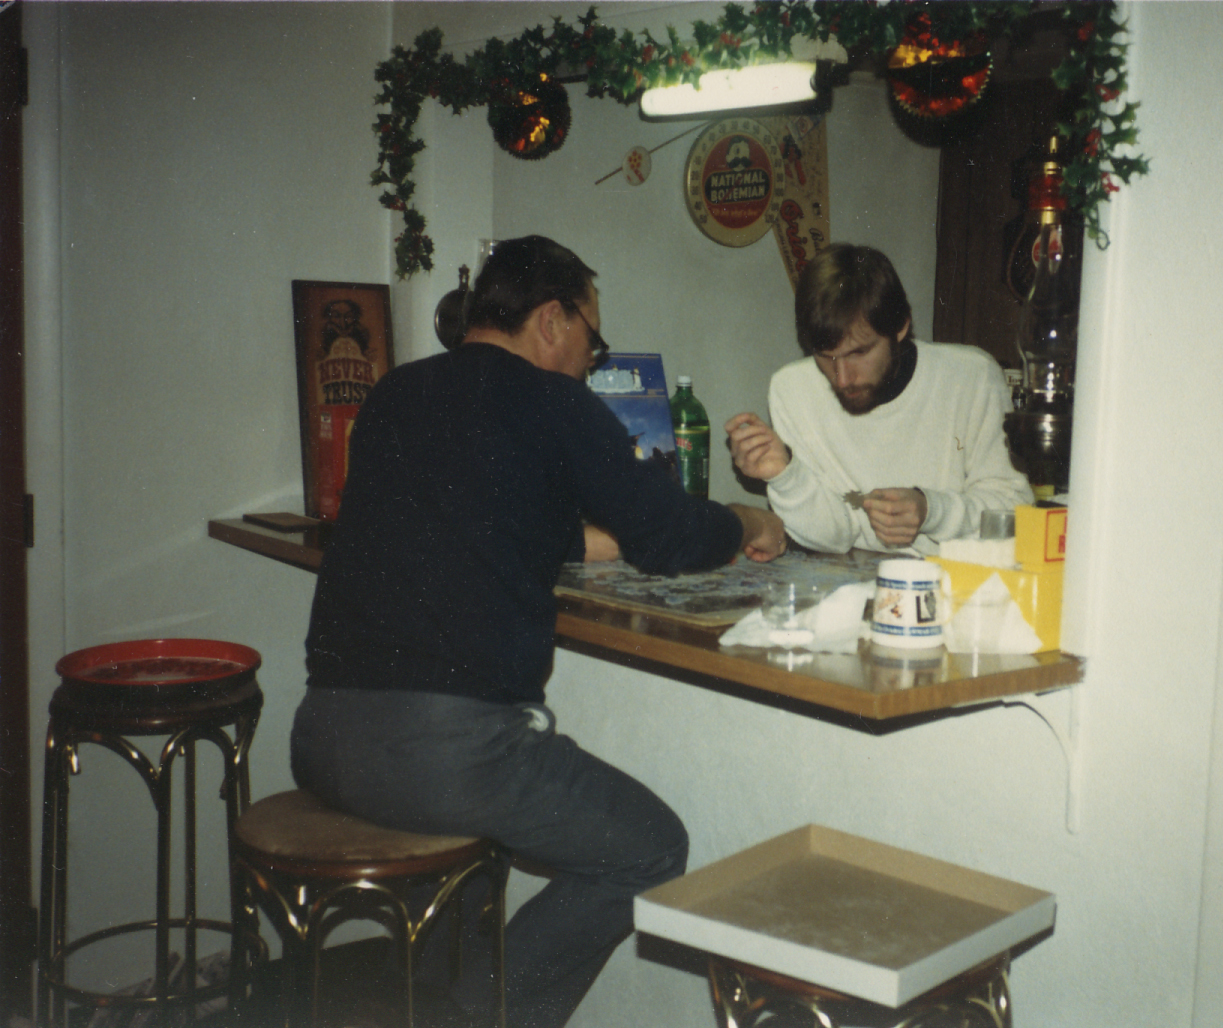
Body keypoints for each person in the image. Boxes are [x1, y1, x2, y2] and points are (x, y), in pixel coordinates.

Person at [291, 235, 787, 1028]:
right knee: (650, 848)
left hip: (322, 735)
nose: (594, 359)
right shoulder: (556, 403)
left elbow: (483, 517)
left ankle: (442, 1001)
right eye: (594, 337)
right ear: (552, 318)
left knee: (475, 854)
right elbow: (669, 537)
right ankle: (479, 1018)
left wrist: (601, 536)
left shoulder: (395, 392)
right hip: (442, 752)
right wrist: (751, 516)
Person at [727, 243, 1032, 554]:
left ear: (900, 327)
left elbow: (1013, 512)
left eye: (859, 352)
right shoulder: (790, 388)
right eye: (825, 356)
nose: (842, 378)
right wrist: (785, 475)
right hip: (849, 585)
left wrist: (930, 509)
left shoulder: (972, 376)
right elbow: (834, 537)